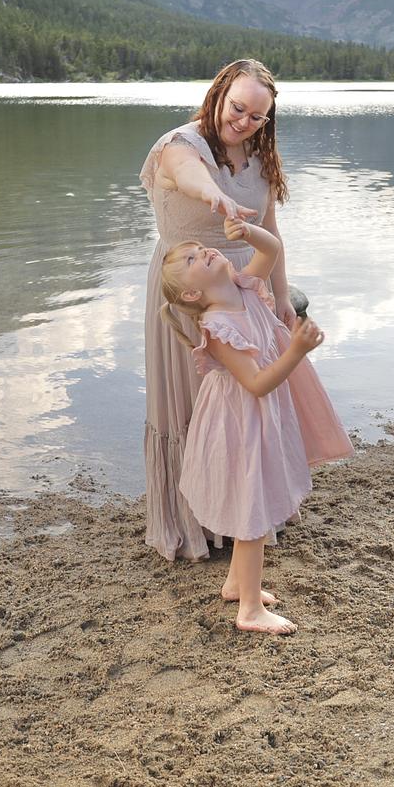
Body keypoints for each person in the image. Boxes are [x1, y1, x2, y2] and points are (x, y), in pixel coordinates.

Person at [158, 217, 352, 633]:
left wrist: (249, 232)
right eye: (192, 258)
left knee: (258, 496)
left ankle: (235, 584)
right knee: (253, 508)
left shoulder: (245, 287)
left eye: (199, 248)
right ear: (192, 294)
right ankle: (249, 610)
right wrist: (296, 350)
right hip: (240, 421)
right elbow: (257, 383)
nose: (205, 251)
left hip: (259, 415)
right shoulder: (218, 327)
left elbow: (272, 250)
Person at [140, 59, 297, 562]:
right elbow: (189, 177)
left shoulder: (260, 157)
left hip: (246, 289)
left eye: (257, 116)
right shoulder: (180, 145)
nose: (244, 122)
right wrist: (216, 195)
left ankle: (248, 517)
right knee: (196, 405)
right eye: (238, 108)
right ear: (219, 95)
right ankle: (197, 521)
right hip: (189, 285)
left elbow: (272, 232)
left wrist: (282, 300)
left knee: (242, 410)